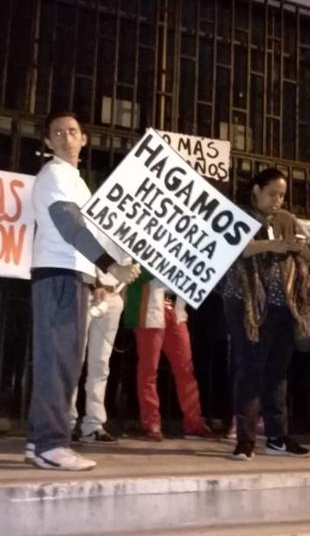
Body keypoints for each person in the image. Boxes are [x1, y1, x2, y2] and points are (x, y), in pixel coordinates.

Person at [26, 111, 140, 471]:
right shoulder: (55, 175)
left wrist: (100, 277)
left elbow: (89, 234)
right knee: (59, 362)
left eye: (72, 131)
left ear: (84, 138)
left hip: (71, 276)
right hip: (58, 275)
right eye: (57, 133)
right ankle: (51, 445)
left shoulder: (74, 180)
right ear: (48, 142)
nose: (65, 137)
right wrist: (111, 266)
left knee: (61, 361)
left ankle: (39, 441)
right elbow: (70, 225)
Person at [222, 168, 310, 461]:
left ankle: (277, 437)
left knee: (277, 373)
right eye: (272, 194)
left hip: (283, 305)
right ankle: (245, 439)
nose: (277, 200)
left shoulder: (287, 219)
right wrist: (274, 245)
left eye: (282, 195)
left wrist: (300, 248)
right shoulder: (239, 215)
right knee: (249, 368)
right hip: (247, 303)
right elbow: (233, 248)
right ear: (256, 190)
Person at [124, 271, 216, 441]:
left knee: (185, 369)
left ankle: (194, 423)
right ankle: (151, 423)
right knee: (149, 370)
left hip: (176, 311)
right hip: (150, 308)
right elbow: (134, 273)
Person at [68, 250, 125, 446]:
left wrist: (120, 294)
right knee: (74, 360)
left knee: (101, 364)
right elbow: (85, 248)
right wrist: (95, 283)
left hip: (113, 295)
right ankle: (65, 423)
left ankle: (93, 425)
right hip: (88, 292)